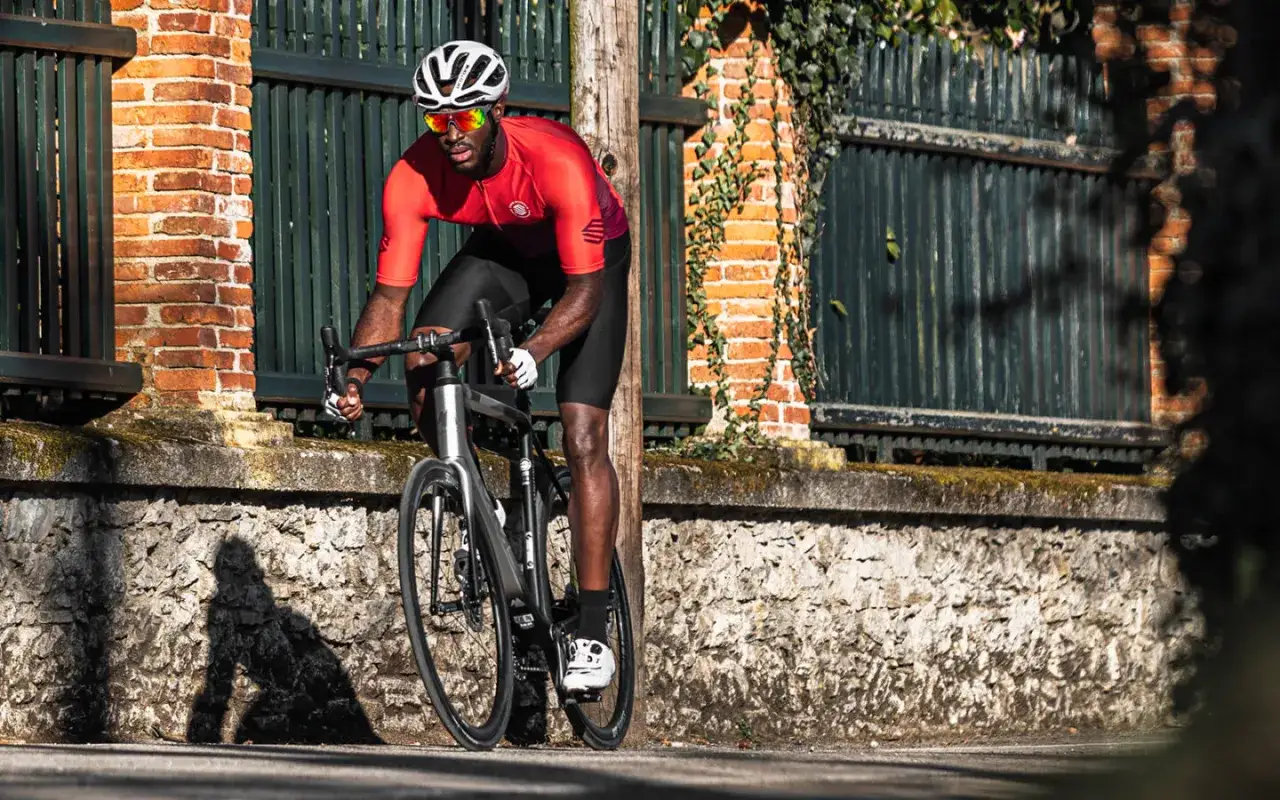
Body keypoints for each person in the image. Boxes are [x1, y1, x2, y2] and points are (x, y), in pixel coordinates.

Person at [333, 40, 628, 693]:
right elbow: (389, 299)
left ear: (496, 108)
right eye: (436, 120)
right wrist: (353, 379)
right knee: (425, 353)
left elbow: (583, 294)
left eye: (464, 118)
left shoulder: (553, 158)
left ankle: (592, 632)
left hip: (589, 262)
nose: (450, 135)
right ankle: (484, 513)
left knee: (581, 434)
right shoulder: (414, 175)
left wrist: (534, 351)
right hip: (505, 251)